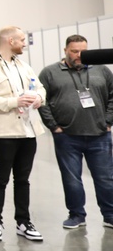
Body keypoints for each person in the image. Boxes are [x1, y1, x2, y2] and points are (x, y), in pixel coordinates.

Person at [0, 26, 46, 242]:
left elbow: (40, 88)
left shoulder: (24, 66)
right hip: (4, 132)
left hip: (29, 130)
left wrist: (39, 99)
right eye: (22, 39)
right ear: (10, 40)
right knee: (1, 178)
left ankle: (23, 221)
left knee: (23, 179)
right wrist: (14, 102)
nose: (25, 43)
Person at [37, 35, 113, 230]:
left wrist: (108, 121)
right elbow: (41, 100)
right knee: (71, 178)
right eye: (74, 51)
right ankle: (76, 215)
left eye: (83, 51)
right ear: (65, 50)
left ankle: (110, 214)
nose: (79, 55)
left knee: (105, 177)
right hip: (67, 136)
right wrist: (54, 126)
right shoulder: (50, 73)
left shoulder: (102, 70)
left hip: (100, 135)